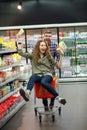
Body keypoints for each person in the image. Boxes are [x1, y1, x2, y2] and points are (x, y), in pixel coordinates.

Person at [17, 40, 66, 107]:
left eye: (45, 45)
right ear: (38, 47)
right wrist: (19, 46)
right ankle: (27, 93)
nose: (44, 47)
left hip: (47, 75)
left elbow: (58, 66)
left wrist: (60, 56)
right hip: (37, 75)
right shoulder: (33, 55)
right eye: (42, 45)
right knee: (33, 77)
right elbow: (21, 53)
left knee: (43, 82)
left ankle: (58, 98)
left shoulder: (48, 56)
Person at [42, 30, 62, 111]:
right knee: (43, 88)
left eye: (49, 36)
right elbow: (34, 55)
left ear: (52, 36)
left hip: (51, 70)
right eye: (46, 35)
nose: (47, 37)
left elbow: (58, 56)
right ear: (43, 36)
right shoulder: (40, 44)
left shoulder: (55, 45)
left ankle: (52, 101)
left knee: (52, 86)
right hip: (41, 71)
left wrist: (56, 64)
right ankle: (46, 106)